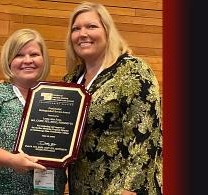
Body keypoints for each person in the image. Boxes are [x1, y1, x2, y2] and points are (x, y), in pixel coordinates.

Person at [63, 2, 162, 195]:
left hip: (123, 188)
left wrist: (129, 189)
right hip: (83, 187)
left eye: (91, 26)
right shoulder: (72, 79)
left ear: (107, 31)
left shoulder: (133, 72)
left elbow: (146, 137)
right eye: (76, 29)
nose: (83, 33)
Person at [0, 29, 67, 195]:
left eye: (34, 54)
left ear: (43, 59)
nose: (27, 60)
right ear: (9, 60)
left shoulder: (58, 98)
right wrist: (12, 160)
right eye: (19, 55)